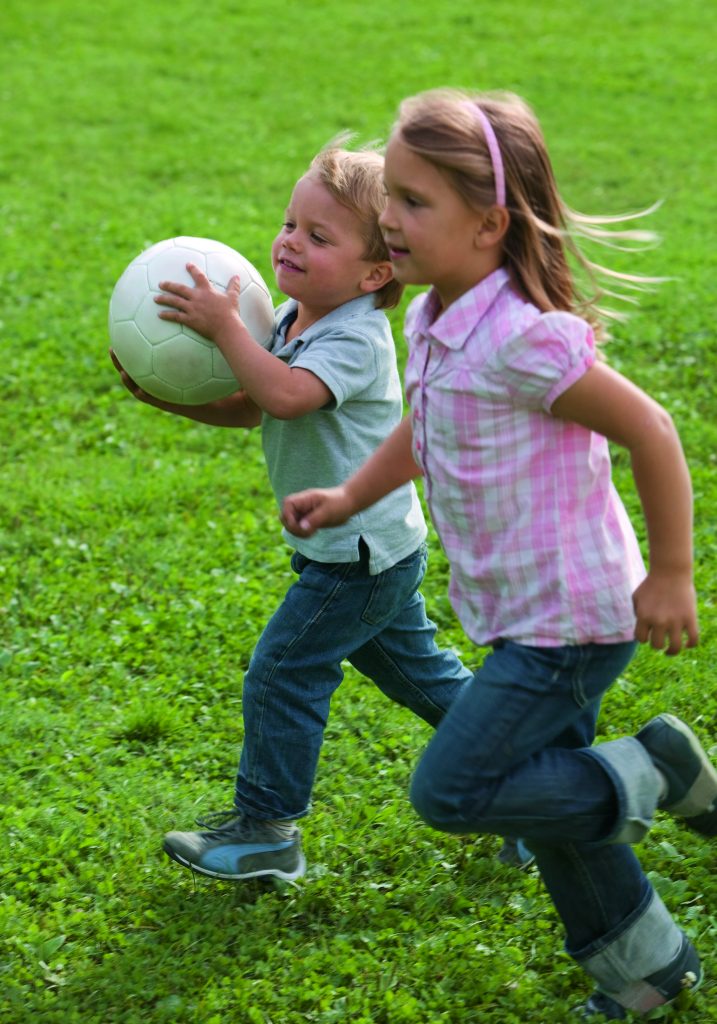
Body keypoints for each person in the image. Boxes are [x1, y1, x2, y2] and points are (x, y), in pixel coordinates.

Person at [281, 91, 716, 1019]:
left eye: (413, 202)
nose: (388, 219)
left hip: (569, 621)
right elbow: (427, 424)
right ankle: (648, 964)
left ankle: (656, 770)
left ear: (490, 224)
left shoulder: (523, 338)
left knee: (456, 789)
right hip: (524, 612)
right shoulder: (437, 317)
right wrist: (353, 494)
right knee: (545, 800)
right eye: (389, 197)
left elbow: (651, 429)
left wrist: (671, 573)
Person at [110, 142, 494, 885]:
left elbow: (286, 395)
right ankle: (537, 776)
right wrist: (164, 395)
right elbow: (256, 408)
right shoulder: (292, 315)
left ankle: (267, 830)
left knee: (282, 671)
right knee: (426, 683)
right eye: (290, 224)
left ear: (375, 273)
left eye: (318, 237)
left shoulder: (354, 338)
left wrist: (224, 328)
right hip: (367, 550)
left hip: (356, 557)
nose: (289, 241)